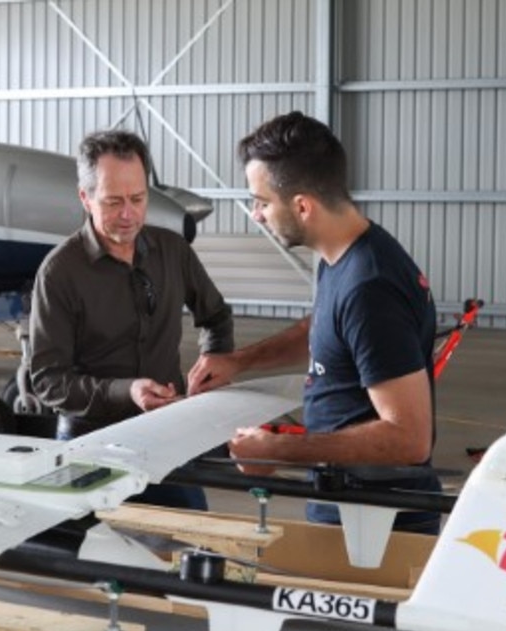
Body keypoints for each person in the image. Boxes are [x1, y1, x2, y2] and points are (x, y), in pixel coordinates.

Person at [187, 111, 441, 534]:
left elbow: (409, 438)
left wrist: (279, 449)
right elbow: (324, 329)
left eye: (263, 201)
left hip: (375, 523)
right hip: (346, 500)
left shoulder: (370, 287)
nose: (256, 214)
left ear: (303, 206)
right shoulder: (342, 256)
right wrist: (238, 361)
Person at [28, 129, 234, 510]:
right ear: (85, 198)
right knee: (86, 558)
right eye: (113, 202)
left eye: (138, 199)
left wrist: (214, 364)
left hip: (168, 436)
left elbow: (217, 317)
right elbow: (48, 381)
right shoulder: (59, 273)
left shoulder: (173, 252)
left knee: (193, 544)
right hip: (88, 444)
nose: (128, 215)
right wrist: (128, 390)